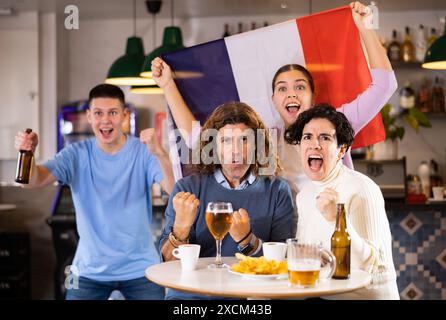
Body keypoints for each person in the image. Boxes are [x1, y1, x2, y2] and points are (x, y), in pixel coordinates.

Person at [151, 1, 397, 231]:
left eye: (300, 87)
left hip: (334, 225)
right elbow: (198, 139)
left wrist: (365, 28)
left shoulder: (334, 124)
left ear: (313, 95)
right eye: (282, 88)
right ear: (274, 100)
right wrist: (168, 85)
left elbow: (384, 86)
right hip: (284, 232)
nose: (291, 93)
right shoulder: (266, 137)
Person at [14, 84, 175, 300]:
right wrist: (28, 154)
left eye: (113, 112)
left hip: (141, 269)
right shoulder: (75, 154)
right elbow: (33, 181)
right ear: (89, 116)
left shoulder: (142, 152)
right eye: (98, 113)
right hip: (88, 270)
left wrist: (160, 153)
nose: (105, 120)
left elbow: (174, 189)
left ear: (124, 115)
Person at [158, 102, 294, 300]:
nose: (235, 151)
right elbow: (167, 262)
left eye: (244, 140)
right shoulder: (186, 189)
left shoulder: (278, 190)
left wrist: (248, 240)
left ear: (257, 144)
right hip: (190, 298)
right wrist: (180, 228)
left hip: (248, 297)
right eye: (226, 141)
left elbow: (283, 261)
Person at [284, 104, 399, 299]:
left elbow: (369, 265)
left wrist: (335, 219)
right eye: (307, 137)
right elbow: (307, 255)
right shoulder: (304, 195)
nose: (314, 144)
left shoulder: (362, 188)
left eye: (325, 138)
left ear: (341, 150)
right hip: (324, 294)